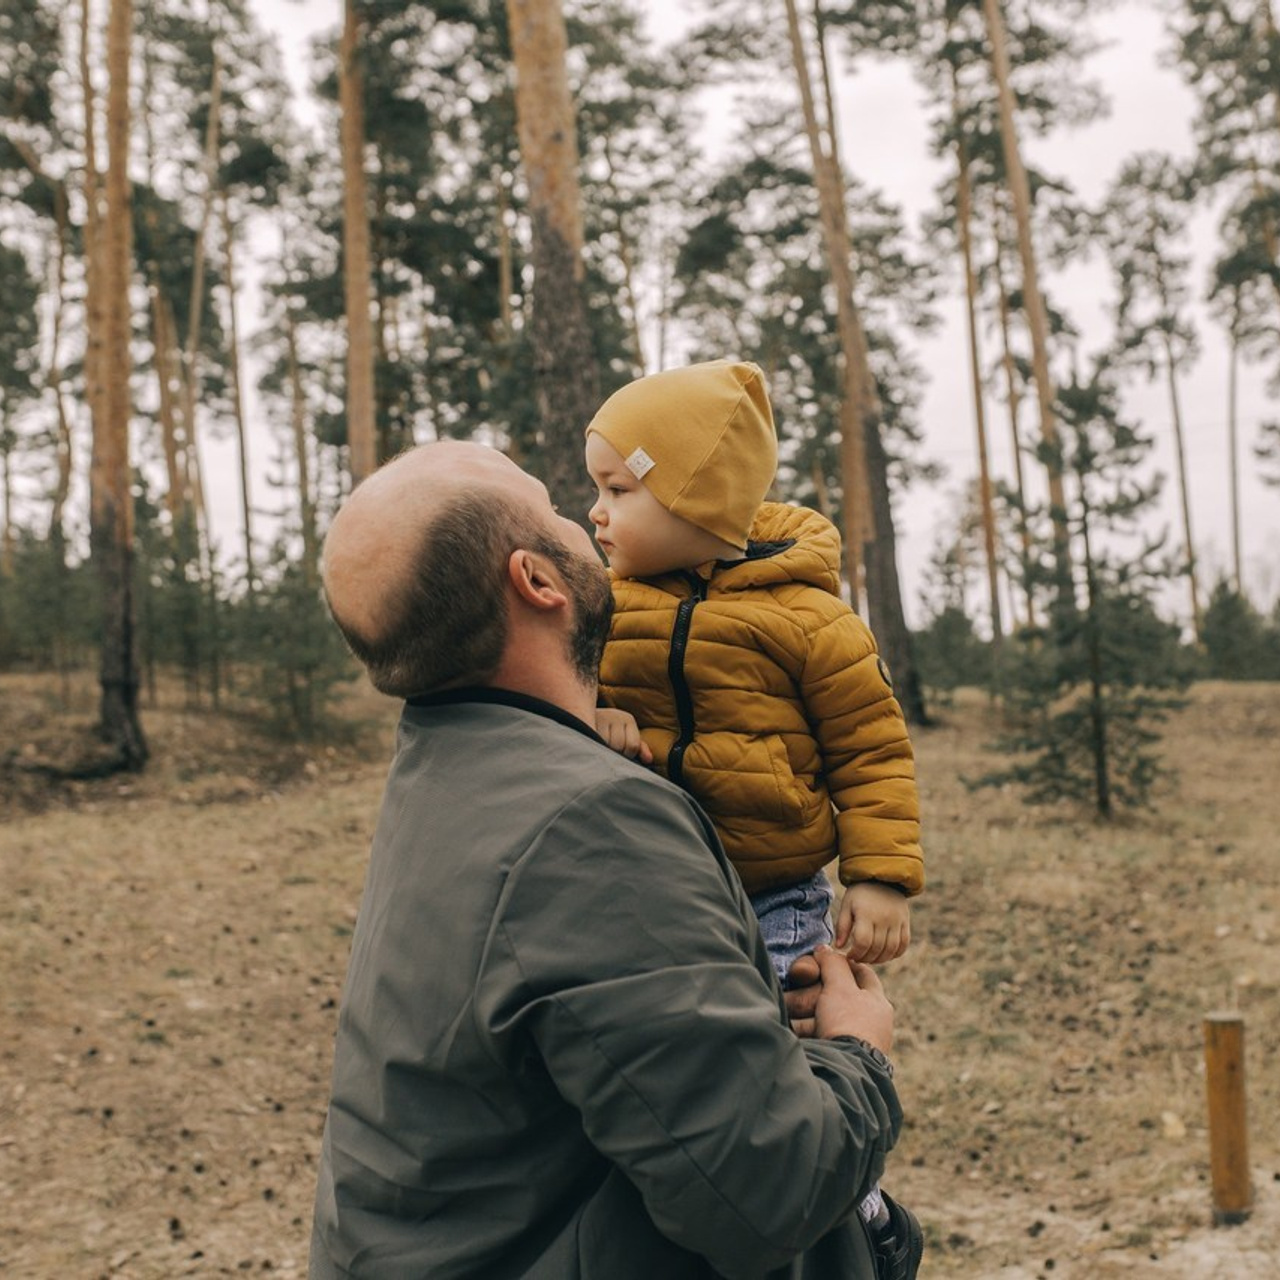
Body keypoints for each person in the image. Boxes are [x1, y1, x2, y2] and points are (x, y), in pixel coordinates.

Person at [310, 439, 918, 1279]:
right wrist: (860, 1055)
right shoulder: (591, 824)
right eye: (554, 508)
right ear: (538, 580)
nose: (587, 518)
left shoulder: (448, 770)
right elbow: (769, 1189)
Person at [585, 359, 925, 1256]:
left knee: (796, 1048)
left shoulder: (814, 620)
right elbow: (566, 694)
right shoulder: (608, 609)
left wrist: (882, 880)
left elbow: (872, 750)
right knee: (692, 1061)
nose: (596, 511)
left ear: (696, 499)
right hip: (661, 886)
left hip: (777, 889)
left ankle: (853, 1216)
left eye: (619, 488)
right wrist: (602, 715)